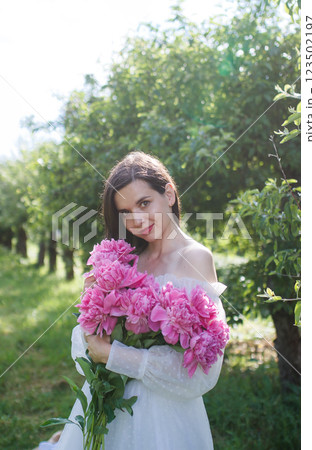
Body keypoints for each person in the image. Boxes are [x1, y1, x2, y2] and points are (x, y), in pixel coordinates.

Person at [42, 151, 228, 449]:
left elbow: (203, 371)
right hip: (109, 406)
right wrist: (94, 310)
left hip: (163, 414)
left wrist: (114, 356)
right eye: (126, 212)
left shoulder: (195, 258)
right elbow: (88, 347)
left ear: (168, 194)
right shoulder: (127, 260)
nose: (137, 220)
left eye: (144, 203)